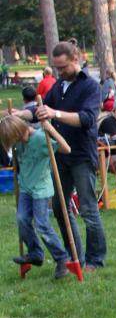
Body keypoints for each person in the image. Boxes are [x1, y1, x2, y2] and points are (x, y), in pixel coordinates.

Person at [17, 40, 107, 270]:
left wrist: (55, 113)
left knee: (88, 209)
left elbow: (87, 119)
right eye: (57, 68)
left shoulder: (90, 87)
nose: (60, 72)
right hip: (60, 155)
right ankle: (74, 255)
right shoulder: (59, 86)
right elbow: (39, 112)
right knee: (59, 208)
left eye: (63, 67)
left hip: (81, 155)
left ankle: (95, 259)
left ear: (75, 60)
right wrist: (19, 114)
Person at [0, 114, 71, 278]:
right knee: (22, 219)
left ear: (20, 131)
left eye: (15, 139)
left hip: (40, 188)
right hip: (26, 187)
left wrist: (50, 129)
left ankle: (61, 258)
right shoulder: (19, 142)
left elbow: (66, 149)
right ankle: (36, 253)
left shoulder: (39, 138)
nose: (16, 143)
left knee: (42, 224)